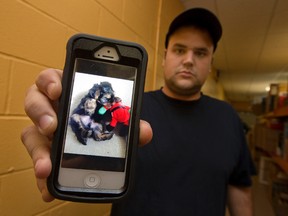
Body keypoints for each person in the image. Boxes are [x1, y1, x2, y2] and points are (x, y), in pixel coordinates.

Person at [21, 8, 256, 216]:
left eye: (201, 53)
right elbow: (91, 138)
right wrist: (60, 121)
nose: (188, 60)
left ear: (211, 62)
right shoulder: (134, 108)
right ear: (165, 58)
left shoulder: (228, 117)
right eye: (180, 49)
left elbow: (240, 190)